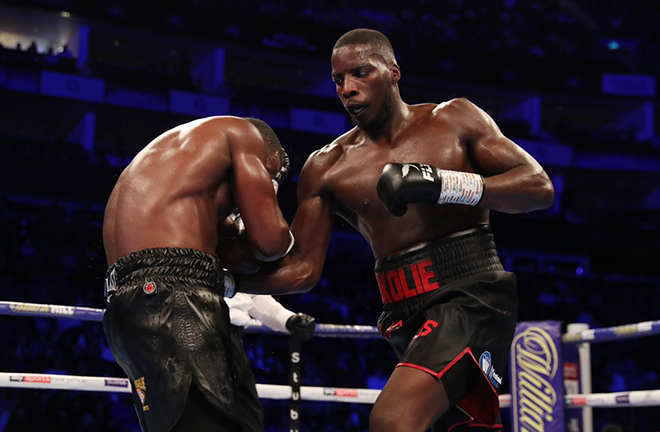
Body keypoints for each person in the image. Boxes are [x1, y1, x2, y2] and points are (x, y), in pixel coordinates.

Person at [236, 29, 554, 431]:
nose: (347, 89)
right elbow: (301, 269)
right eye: (338, 80)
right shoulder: (327, 167)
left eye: (360, 73)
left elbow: (538, 188)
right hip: (402, 311)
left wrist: (444, 184)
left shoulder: (454, 118)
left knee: (392, 421)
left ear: (393, 72)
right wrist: (221, 278)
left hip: (472, 296)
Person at [102, 116, 294, 432]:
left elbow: (230, 256)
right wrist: (288, 237)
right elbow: (269, 242)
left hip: (130, 304)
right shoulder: (243, 135)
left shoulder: (178, 163)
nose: (262, 186)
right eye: (268, 175)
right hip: (173, 301)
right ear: (266, 158)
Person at [224, 293, 316, 432]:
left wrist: (288, 320)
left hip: (232, 339)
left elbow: (251, 293)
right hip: (193, 330)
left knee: (247, 419)